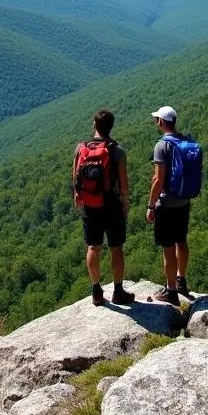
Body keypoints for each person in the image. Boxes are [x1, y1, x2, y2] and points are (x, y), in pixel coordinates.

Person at [73, 108, 135, 306]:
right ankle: (118, 291)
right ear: (111, 127)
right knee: (116, 248)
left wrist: (78, 195)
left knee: (93, 247)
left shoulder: (80, 148)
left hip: (90, 204)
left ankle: (96, 291)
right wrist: (125, 203)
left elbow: (75, 175)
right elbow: (123, 185)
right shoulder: (117, 151)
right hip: (112, 205)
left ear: (94, 125)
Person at [145, 105, 192, 306]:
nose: (157, 123)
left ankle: (171, 291)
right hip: (184, 200)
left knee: (167, 247)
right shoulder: (186, 141)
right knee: (181, 240)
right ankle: (182, 281)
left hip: (167, 203)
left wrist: (151, 205)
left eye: (157, 120)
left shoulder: (161, 146)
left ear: (162, 123)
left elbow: (158, 180)